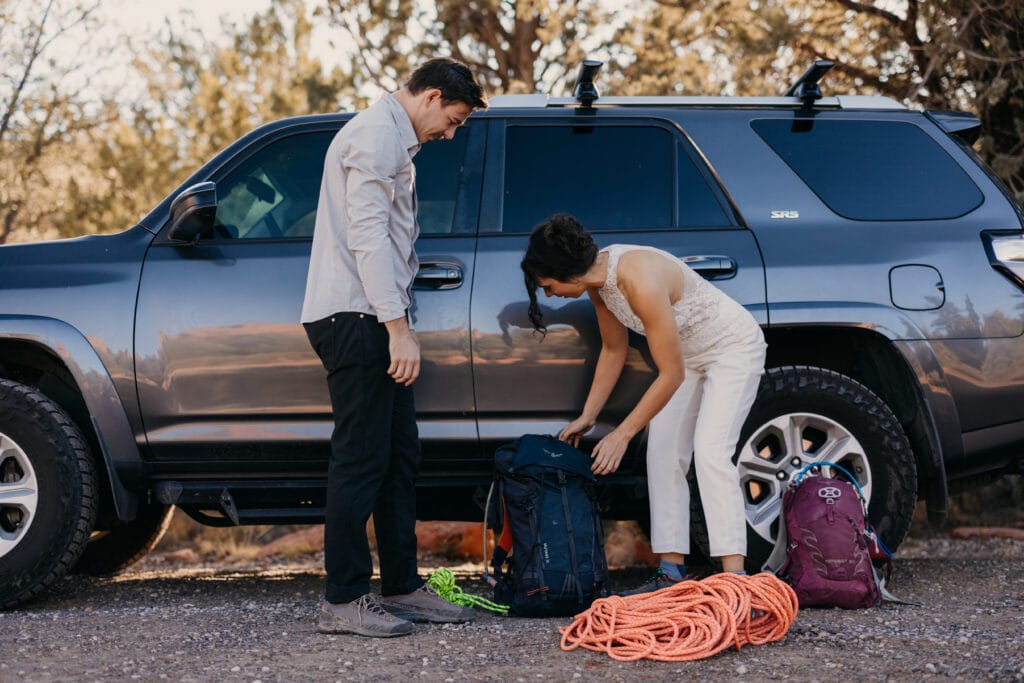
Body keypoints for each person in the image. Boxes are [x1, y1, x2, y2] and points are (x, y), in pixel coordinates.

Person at [301, 58, 487, 636]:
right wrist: (396, 327)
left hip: (372, 315)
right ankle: (343, 600)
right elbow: (369, 238)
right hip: (357, 317)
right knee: (361, 458)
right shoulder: (377, 138)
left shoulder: (395, 142)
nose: (450, 133)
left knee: (399, 456)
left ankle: (403, 586)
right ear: (430, 97)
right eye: (452, 120)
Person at [520, 214, 766, 593]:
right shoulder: (597, 283)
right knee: (663, 452)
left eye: (549, 286)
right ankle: (670, 571)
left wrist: (621, 435)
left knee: (711, 452)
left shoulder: (638, 278)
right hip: (687, 357)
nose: (550, 295)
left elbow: (670, 375)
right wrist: (589, 416)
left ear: (569, 273)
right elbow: (614, 350)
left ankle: (736, 578)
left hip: (731, 348)